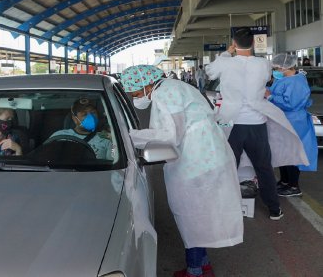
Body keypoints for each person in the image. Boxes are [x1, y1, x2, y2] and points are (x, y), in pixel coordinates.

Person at [122, 65, 243, 277]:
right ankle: (203, 264)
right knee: (200, 214)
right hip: (208, 153)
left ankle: (195, 271)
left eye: (137, 93)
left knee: (191, 216)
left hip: (197, 158)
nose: (137, 98)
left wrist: (131, 137)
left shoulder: (165, 94)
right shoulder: (173, 86)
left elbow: (170, 135)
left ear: (146, 83)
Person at [205, 28, 308, 220]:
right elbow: (266, 80)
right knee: (264, 168)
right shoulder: (263, 64)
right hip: (257, 122)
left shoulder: (225, 63)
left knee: (229, 166)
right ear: (253, 43)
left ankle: (223, 210)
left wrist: (227, 53)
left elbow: (210, 72)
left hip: (231, 123)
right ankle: (274, 210)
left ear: (234, 44)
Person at [266, 53, 318, 196]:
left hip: (294, 120)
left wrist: (270, 96)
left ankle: (294, 186)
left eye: (277, 68)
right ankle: (284, 181)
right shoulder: (284, 79)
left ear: (284, 67)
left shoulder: (296, 82)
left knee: (292, 152)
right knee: (282, 151)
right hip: (283, 119)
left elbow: (290, 104)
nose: (275, 71)